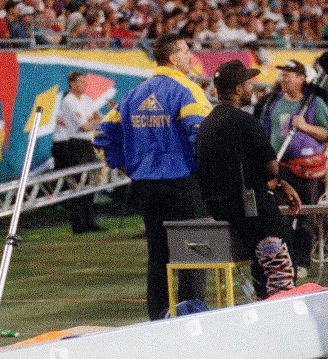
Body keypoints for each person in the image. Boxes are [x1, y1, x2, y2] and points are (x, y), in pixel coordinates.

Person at [94, 33, 212, 320]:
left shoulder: (133, 94)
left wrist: (126, 165)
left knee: (158, 257)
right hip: (183, 183)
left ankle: (157, 319)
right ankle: (191, 318)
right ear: (173, 58)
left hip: (146, 186)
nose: (189, 57)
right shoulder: (188, 90)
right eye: (185, 52)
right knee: (193, 254)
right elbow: (203, 135)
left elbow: (101, 136)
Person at [195, 60, 302, 299]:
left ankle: (263, 302)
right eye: (247, 84)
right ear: (237, 89)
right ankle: (278, 309)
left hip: (219, 209)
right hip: (251, 208)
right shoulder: (245, 121)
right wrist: (281, 181)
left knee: (260, 267)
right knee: (280, 265)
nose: (251, 88)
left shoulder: (207, 124)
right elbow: (271, 165)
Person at [253, 59, 328, 279]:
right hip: (280, 167)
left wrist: (305, 126)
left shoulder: (314, 103)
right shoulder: (272, 101)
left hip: (307, 170)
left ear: (301, 78)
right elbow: (263, 132)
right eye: (282, 74)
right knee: (281, 216)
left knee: (306, 216)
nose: (284, 78)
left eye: (289, 74)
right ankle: (284, 259)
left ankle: (302, 260)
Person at [53, 71, 106, 234]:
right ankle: (78, 223)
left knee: (90, 183)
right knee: (78, 184)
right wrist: (93, 122)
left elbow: (99, 117)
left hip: (88, 143)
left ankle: (89, 220)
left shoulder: (86, 99)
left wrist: (94, 121)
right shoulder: (69, 102)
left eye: (85, 81)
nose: (85, 84)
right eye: (81, 81)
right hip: (76, 143)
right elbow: (84, 126)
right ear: (72, 84)